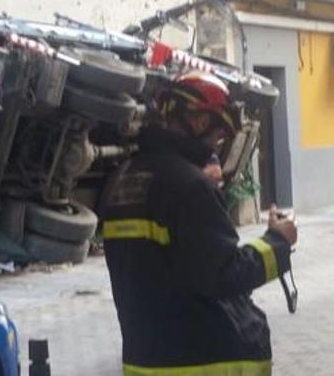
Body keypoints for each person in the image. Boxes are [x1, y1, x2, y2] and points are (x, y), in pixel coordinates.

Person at [100, 71, 297, 376]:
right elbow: (225, 274)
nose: (217, 148)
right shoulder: (189, 186)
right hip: (204, 358)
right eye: (219, 137)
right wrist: (277, 240)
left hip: (145, 360)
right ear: (200, 122)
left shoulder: (121, 180)